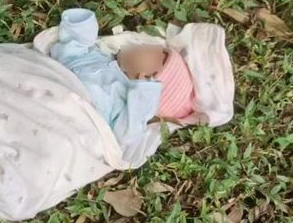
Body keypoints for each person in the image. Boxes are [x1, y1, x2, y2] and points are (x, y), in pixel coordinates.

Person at [50, 8, 195, 147]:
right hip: (51, 85)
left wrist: (145, 94)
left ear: (147, 77)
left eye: (160, 56)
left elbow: (125, 136)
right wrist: (82, 29)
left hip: (66, 117)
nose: (149, 45)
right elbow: (72, 52)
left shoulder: (123, 105)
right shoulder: (101, 58)